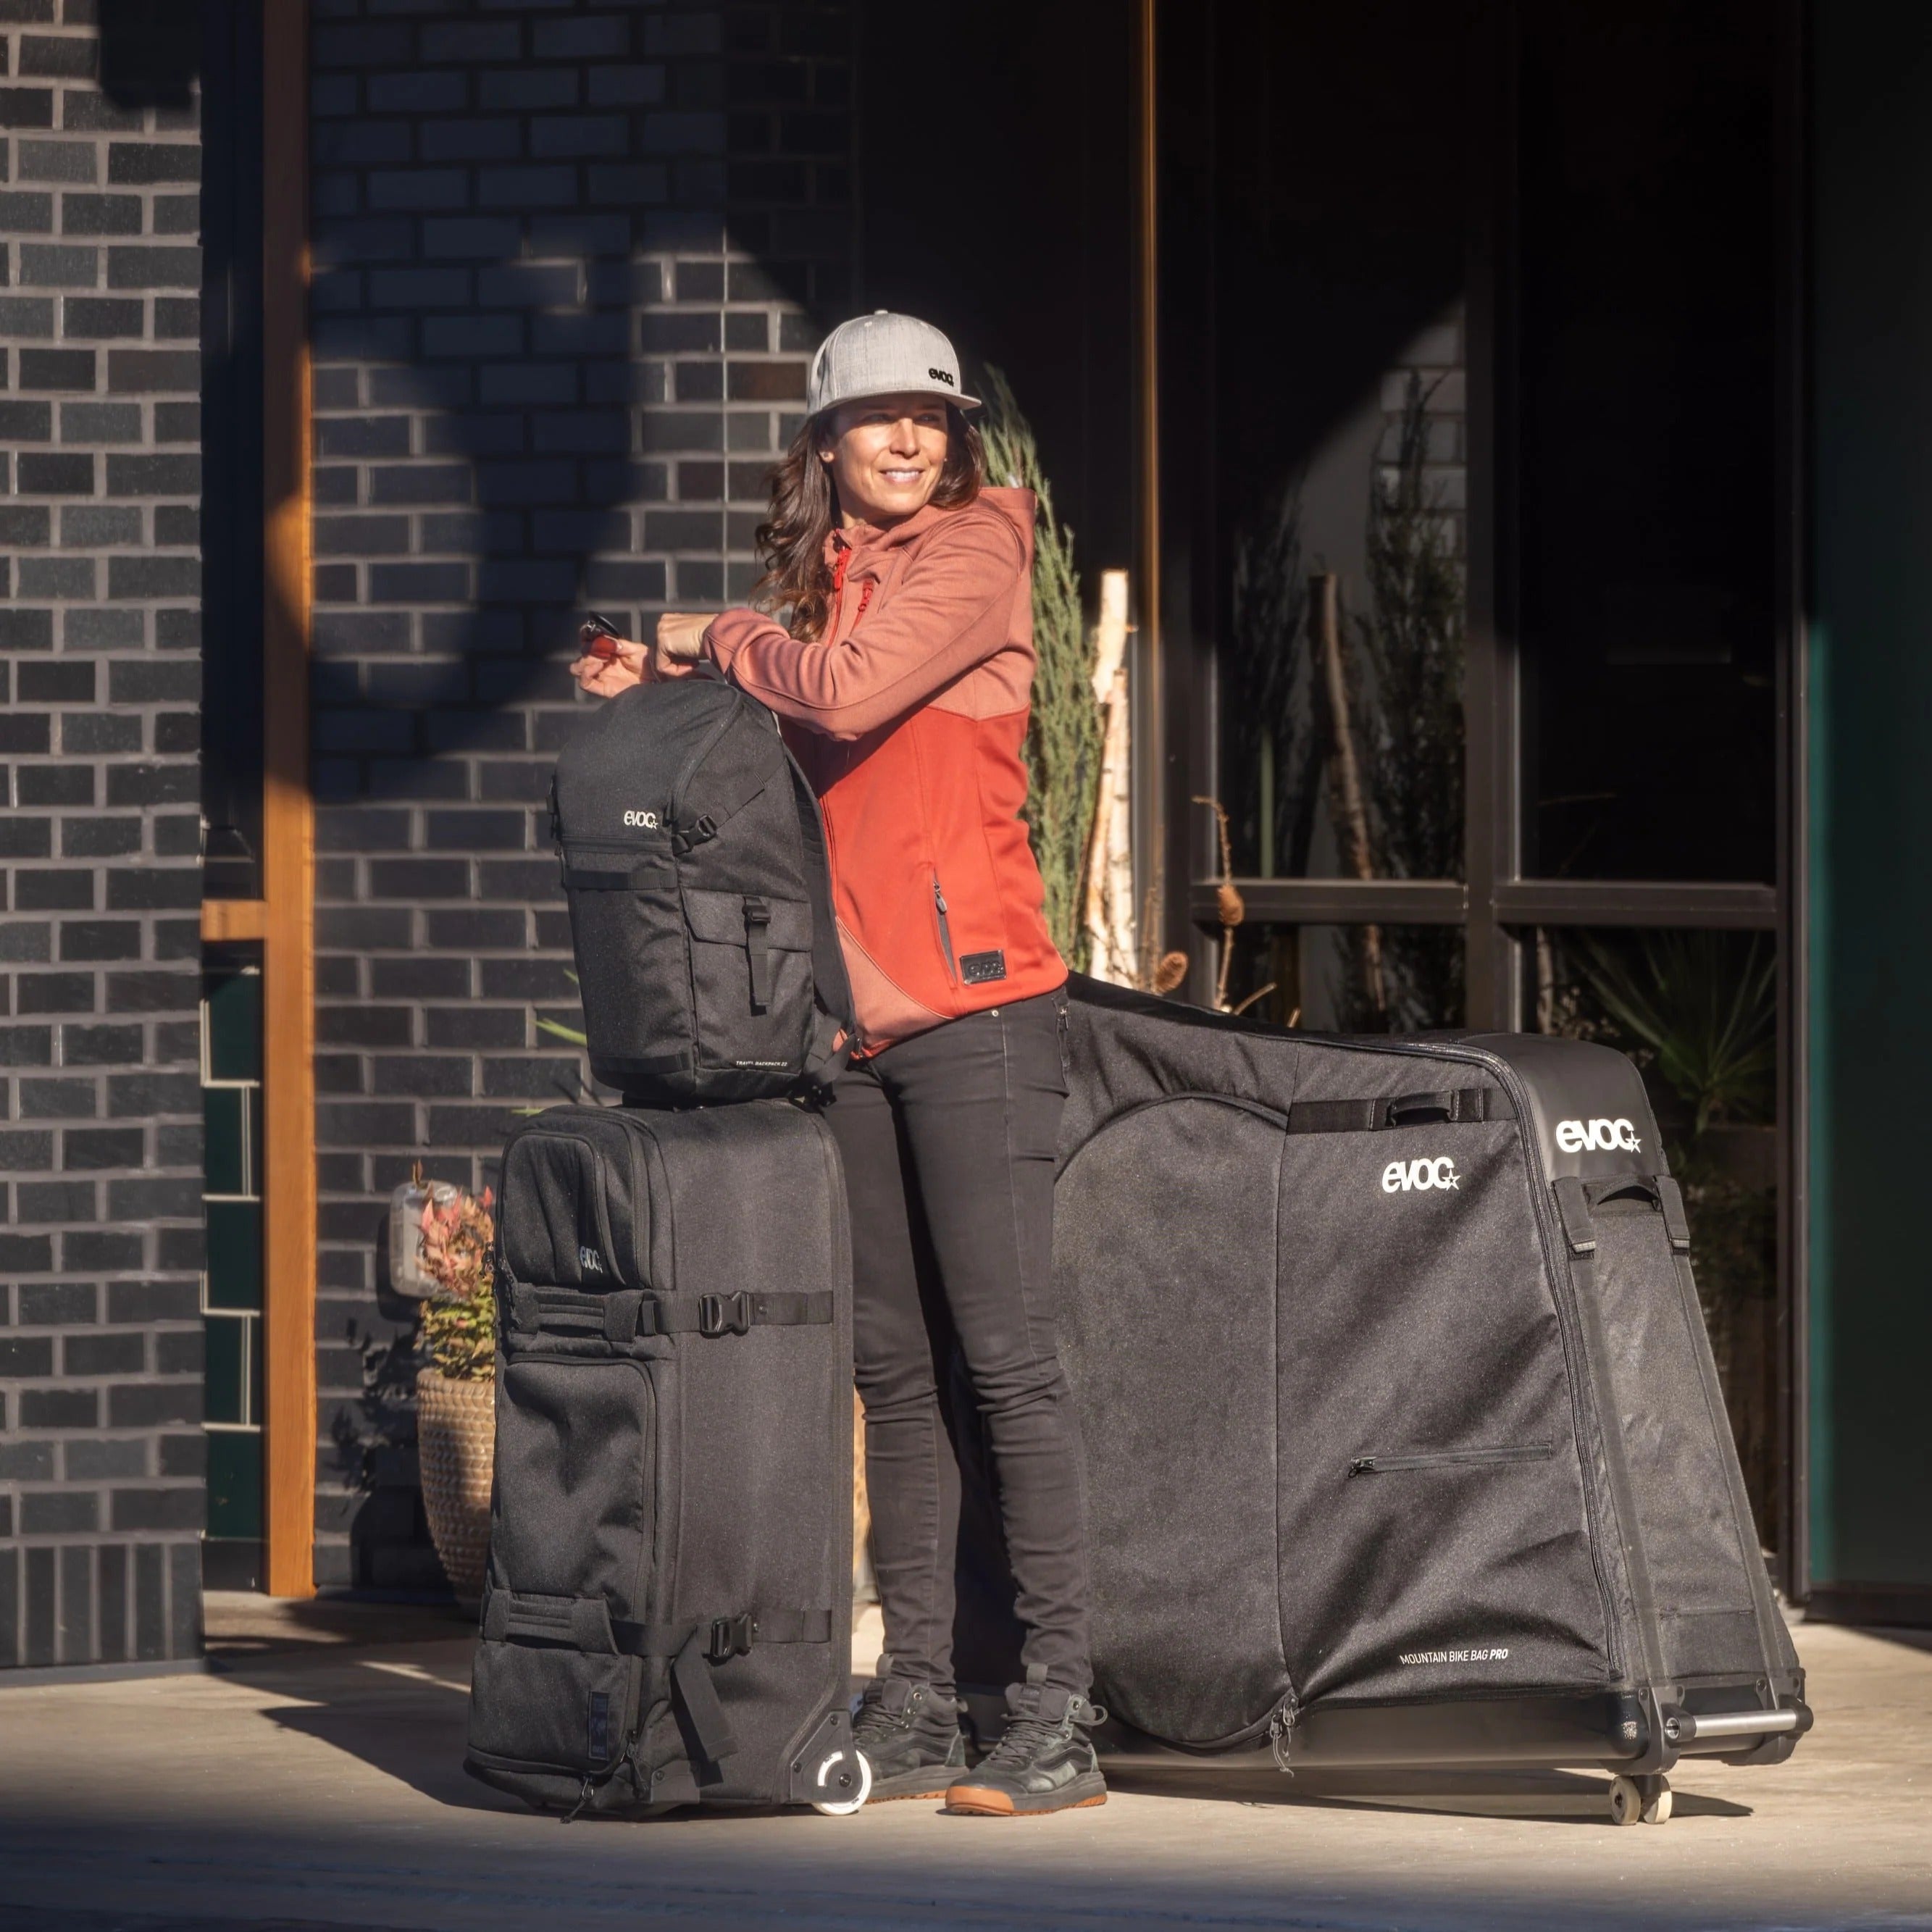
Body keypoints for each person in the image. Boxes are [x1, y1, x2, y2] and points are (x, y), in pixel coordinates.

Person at [569, 311, 1105, 1818]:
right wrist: (665, 683)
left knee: (1003, 1359)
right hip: (852, 1026)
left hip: (978, 1006)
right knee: (892, 1372)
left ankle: (1058, 1701)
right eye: (874, 418)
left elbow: (847, 690)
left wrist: (711, 636)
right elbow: (789, 709)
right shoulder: (829, 588)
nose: (906, 439)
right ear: (822, 442)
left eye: (928, 417)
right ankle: (924, 1690)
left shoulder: (973, 551)